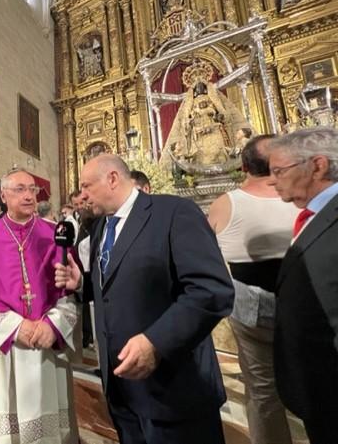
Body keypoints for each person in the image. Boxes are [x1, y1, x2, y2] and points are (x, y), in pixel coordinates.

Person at [55, 154, 234, 444]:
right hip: (122, 388)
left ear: (112, 178)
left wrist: (156, 342)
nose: (82, 196)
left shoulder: (175, 213)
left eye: (87, 186)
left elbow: (211, 290)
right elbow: (120, 285)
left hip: (174, 387)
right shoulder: (102, 226)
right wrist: (83, 284)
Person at [0, 168, 78, 444]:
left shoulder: (55, 235)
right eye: (20, 189)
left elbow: (70, 292)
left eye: (33, 190)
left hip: (46, 348)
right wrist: (15, 327)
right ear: (3, 195)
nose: (28, 196)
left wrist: (53, 325)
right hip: (5, 348)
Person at [208, 135, 298, 444]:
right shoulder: (299, 195)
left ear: (243, 165)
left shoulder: (225, 204)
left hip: (251, 305)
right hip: (304, 298)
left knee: (262, 391)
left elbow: (207, 255)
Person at [265, 127, 338, 443]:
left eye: (279, 171)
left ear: (318, 166)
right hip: (319, 387)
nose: (272, 180)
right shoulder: (313, 215)